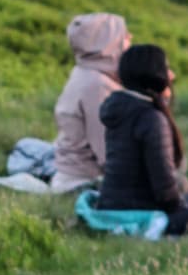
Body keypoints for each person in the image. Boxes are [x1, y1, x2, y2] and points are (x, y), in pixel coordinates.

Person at [97, 44, 188, 236]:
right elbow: (165, 193)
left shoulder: (121, 110)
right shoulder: (151, 118)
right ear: (154, 75)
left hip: (112, 205)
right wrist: (184, 208)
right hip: (142, 213)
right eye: (166, 69)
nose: (172, 75)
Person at [51, 12, 130, 194]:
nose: (129, 39)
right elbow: (107, 148)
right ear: (106, 42)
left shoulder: (85, 72)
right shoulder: (98, 86)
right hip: (83, 179)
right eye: (123, 35)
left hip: (69, 171)